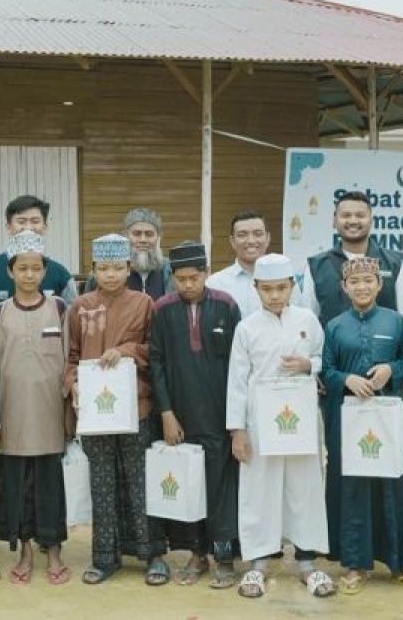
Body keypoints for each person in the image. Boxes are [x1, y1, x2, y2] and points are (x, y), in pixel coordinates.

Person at [227, 253, 335, 599]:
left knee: (304, 487)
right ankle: (258, 565)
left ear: (292, 287)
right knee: (260, 488)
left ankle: (307, 563)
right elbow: (237, 382)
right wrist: (238, 430)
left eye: (281, 288)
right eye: (267, 289)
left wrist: (308, 364)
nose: (274, 295)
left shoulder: (308, 319)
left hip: (300, 419)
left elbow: (324, 361)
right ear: (256, 288)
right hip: (260, 422)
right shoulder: (246, 328)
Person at [64, 233, 168, 586]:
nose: (110, 274)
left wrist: (124, 351)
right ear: (93, 269)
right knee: (102, 483)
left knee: (140, 482)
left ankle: (153, 555)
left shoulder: (144, 303)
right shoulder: (80, 306)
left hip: (135, 407)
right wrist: (73, 384)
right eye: (103, 268)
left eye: (117, 268)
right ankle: (104, 558)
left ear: (128, 269)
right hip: (95, 413)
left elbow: (154, 350)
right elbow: (71, 357)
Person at [322, 257, 403, 594]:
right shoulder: (334, 326)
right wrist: (346, 378)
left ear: (380, 284)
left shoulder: (395, 322)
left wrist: (392, 370)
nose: (362, 287)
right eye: (355, 282)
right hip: (348, 419)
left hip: (387, 418)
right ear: (344, 287)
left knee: (392, 483)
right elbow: (325, 371)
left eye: (369, 280)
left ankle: (398, 563)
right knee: (353, 488)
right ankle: (355, 564)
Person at [149, 241, 241, 589]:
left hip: (218, 415)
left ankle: (224, 557)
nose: (188, 284)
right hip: (180, 415)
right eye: (181, 278)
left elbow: (238, 364)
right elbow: (155, 362)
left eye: (195, 277)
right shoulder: (162, 309)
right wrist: (167, 413)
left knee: (219, 487)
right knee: (188, 486)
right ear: (171, 277)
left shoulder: (226, 305)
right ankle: (196, 555)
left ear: (206, 273)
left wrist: (235, 421)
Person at [0, 231, 70, 586]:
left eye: (36, 268)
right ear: (10, 271)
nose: (29, 275)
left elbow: (70, 364)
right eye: (22, 268)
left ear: (45, 270)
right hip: (11, 415)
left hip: (50, 414)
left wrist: (70, 413)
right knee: (17, 486)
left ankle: (53, 551)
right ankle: (24, 551)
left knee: (50, 484)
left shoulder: (60, 308)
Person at [297, 191, 403, 341]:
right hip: (332, 362)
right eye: (346, 215)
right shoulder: (316, 267)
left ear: (371, 220)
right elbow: (308, 321)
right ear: (334, 221)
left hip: (385, 362)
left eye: (360, 215)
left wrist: (402, 363)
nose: (353, 221)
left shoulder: (396, 263)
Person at [0, 194, 77, 310]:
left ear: (45, 226)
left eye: (35, 221)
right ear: (8, 227)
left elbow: (72, 318)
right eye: (21, 221)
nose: (28, 227)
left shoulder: (61, 275)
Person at [206, 211, 270, 317]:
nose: (251, 240)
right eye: (242, 235)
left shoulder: (284, 280)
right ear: (232, 241)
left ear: (268, 238)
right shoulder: (214, 284)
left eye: (257, 234)